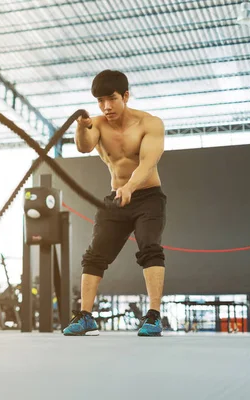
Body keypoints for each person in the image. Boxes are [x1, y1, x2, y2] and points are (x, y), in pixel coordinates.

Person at [62, 70, 166, 337]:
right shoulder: (96, 123)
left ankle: (153, 316)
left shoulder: (149, 123)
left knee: (150, 248)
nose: (106, 106)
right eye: (100, 101)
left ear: (126, 96)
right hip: (116, 199)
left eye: (111, 98)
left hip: (148, 196)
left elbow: (148, 162)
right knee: (94, 256)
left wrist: (130, 186)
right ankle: (85, 316)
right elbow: (84, 147)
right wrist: (81, 126)